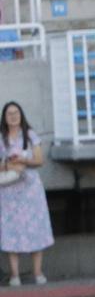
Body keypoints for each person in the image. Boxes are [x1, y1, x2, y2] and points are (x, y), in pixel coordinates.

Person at [0, 102, 52, 287]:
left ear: (21, 115)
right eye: (9, 114)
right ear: (4, 118)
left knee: (35, 228)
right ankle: (15, 275)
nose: (13, 116)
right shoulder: (1, 138)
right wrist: (9, 165)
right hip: (8, 191)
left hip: (30, 190)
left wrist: (23, 160)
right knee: (11, 231)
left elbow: (39, 160)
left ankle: (37, 272)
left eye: (16, 113)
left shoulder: (30, 135)